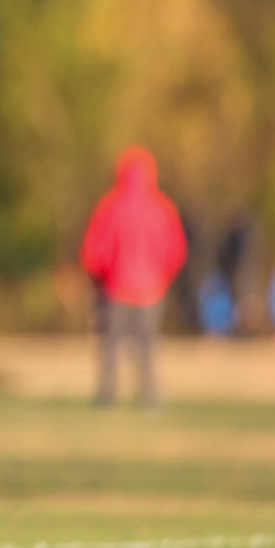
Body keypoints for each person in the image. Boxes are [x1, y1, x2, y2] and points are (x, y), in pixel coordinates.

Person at [79, 146, 186, 405]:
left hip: (116, 288)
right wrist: (162, 278)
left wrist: (102, 277)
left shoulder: (110, 206)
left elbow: (94, 251)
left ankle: (107, 394)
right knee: (148, 346)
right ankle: (150, 395)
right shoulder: (162, 207)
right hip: (152, 289)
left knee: (111, 345)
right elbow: (176, 250)